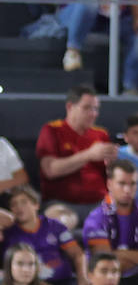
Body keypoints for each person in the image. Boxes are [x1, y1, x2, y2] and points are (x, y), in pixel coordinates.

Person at [35, 83, 117, 213]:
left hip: (100, 202)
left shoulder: (101, 133)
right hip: (62, 204)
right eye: (87, 108)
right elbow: (50, 170)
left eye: (96, 109)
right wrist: (89, 155)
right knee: (58, 219)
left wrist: (113, 163)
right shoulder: (52, 130)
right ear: (70, 107)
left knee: (124, 218)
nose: (93, 114)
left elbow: (110, 175)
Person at [1, 184, 87, 285]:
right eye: (13, 204)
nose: (19, 207)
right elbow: (11, 268)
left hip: (65, 281)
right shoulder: (9, 235)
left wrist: (83, 278)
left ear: (36, 204)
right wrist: (36, 284)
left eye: (23, 202)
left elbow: (77, 254)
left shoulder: (55, 226)